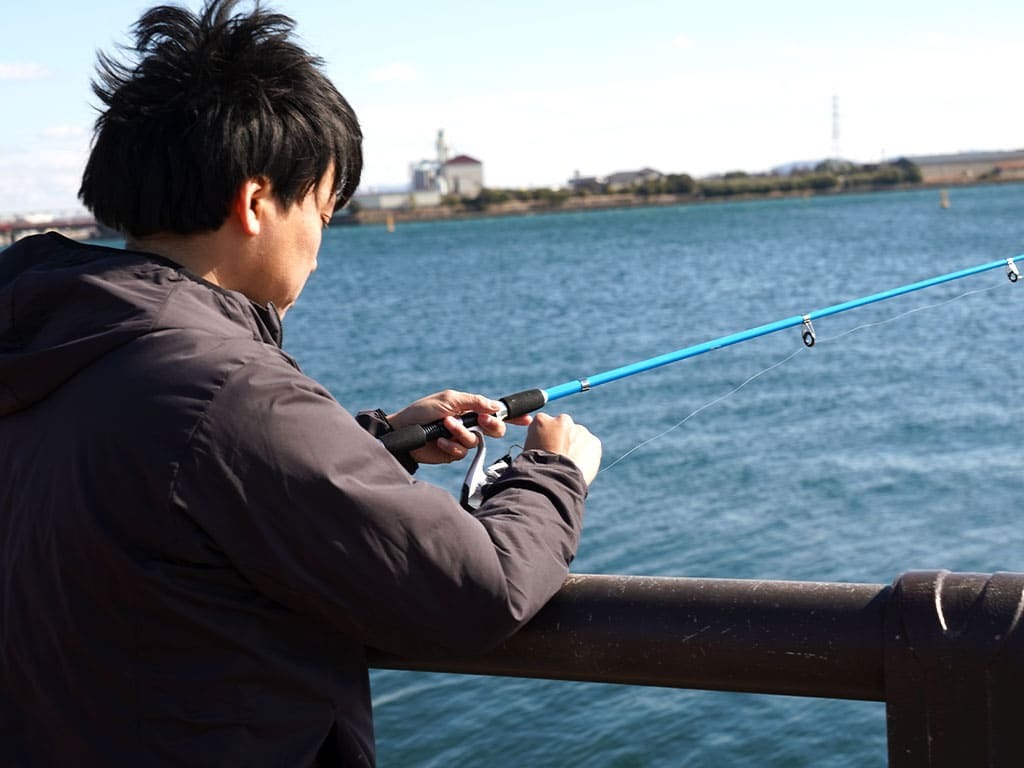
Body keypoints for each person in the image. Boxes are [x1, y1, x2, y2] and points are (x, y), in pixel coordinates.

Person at [0, 1, 602, 765]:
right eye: (319, 207)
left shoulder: (50, 343)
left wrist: (382, 446)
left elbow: (179, 500)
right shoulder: (227, 389)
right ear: (255, 203)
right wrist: (551, 474)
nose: (320, 242)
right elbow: (477, 592)